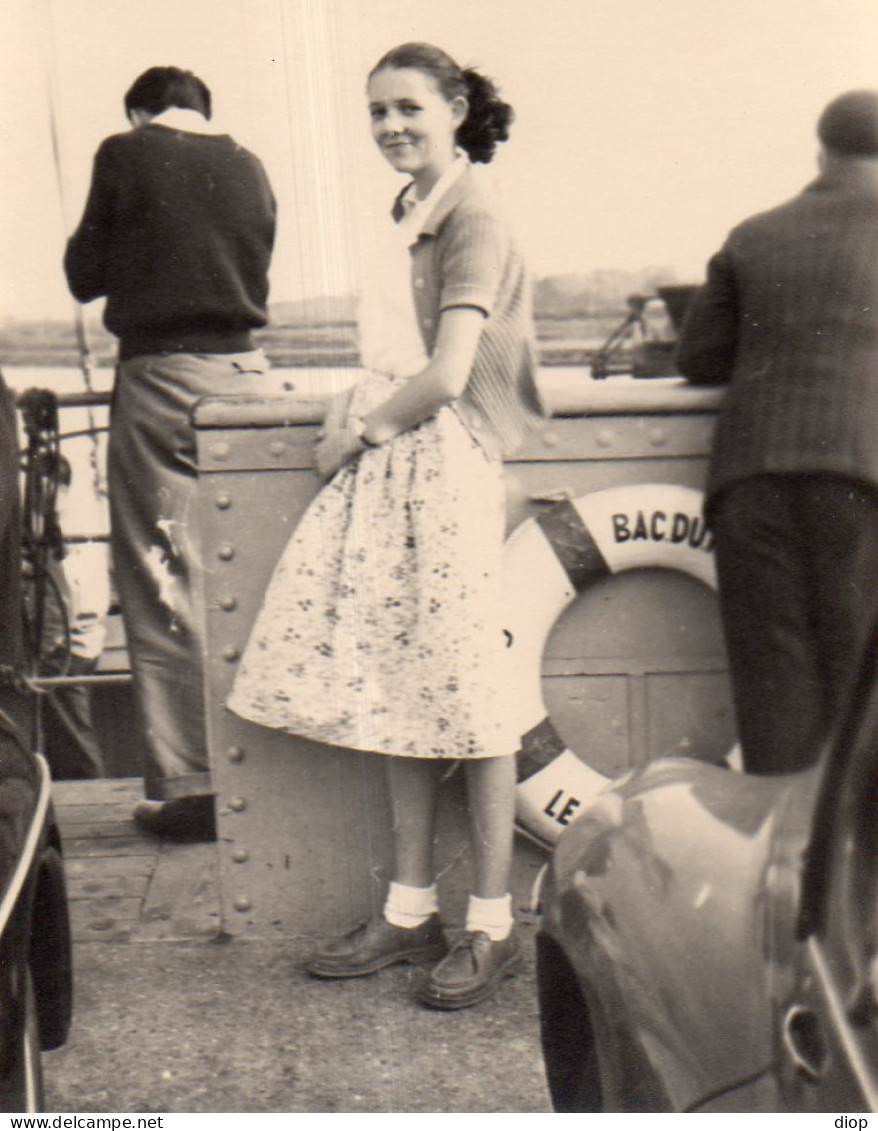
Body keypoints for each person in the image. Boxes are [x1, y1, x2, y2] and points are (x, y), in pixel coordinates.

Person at [228, 42, 545, 1008]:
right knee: (403, 688)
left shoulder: (475, 213)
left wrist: (356, 433)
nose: (391, 127)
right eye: (376, 113)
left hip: (438, 465)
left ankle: (491, 925)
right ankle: (411, 912)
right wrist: (358, 416)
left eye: (408, 106)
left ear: (455, 107)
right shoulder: (416, 209)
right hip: (399, 466)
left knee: (474, 700)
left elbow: (448, 373)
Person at [64, 66, 277, 838]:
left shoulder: (124, 151)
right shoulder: (249, 163)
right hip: (250, 378)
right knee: (248, 579)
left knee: (163, 580)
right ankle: (274, 782)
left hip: (161, 378)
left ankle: (193, 789)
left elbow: (84, 274)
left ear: (139, 111)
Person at [676, 89, 878, 775]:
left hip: (750, 480)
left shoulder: (753, 234)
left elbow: (697, 357)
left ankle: (786, 876)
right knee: (866, 703)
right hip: (862, 477)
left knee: (777, 703)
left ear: (820, 152)